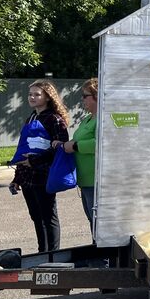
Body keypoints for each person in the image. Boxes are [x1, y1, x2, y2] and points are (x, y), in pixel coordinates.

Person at [10, 79, 70, 252]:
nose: (32, 97)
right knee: (36, 217)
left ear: (48, 97)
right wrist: (17, 179)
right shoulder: (31, 118)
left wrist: (35, 161)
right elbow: (24, 148)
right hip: (27, 177)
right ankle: (42, 253)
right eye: (30, 94)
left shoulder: (54, 119)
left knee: (48, 217)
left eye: (37, 94)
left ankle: (52, 254)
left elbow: (60, 148)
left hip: (44, 175)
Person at [54, 78, 97, 234]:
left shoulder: (103, 119)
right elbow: (77, 139)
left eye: (85, 96)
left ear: (97, 96)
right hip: (85, 180)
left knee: (97, 222)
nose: (82, 99)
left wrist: (75, 146)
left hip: (95, 181)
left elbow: (101, 143)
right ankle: (97, 251)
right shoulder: (87, 119)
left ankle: (104, 256)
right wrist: (63, 144)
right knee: (92, 220)